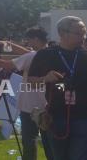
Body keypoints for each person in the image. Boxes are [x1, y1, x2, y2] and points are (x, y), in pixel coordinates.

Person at [0, 27, 54, 160]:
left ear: (35, 39)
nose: (28, 42)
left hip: (30, 106)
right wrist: (10, 45)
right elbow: (28, 52)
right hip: (49, 105)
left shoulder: (31, 56)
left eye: (29, 39)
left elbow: (7, 65)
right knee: (50, 144)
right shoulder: (52, 54)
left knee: (29, 142)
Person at [28, 16, 87, 160]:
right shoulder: (46, 54)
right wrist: (45, 78)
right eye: (79, 33)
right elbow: (30, 82)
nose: (83, 37)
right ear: (62, 33)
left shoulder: (84, 55)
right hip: (56, 117)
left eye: (84, 33)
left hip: (83, 118)